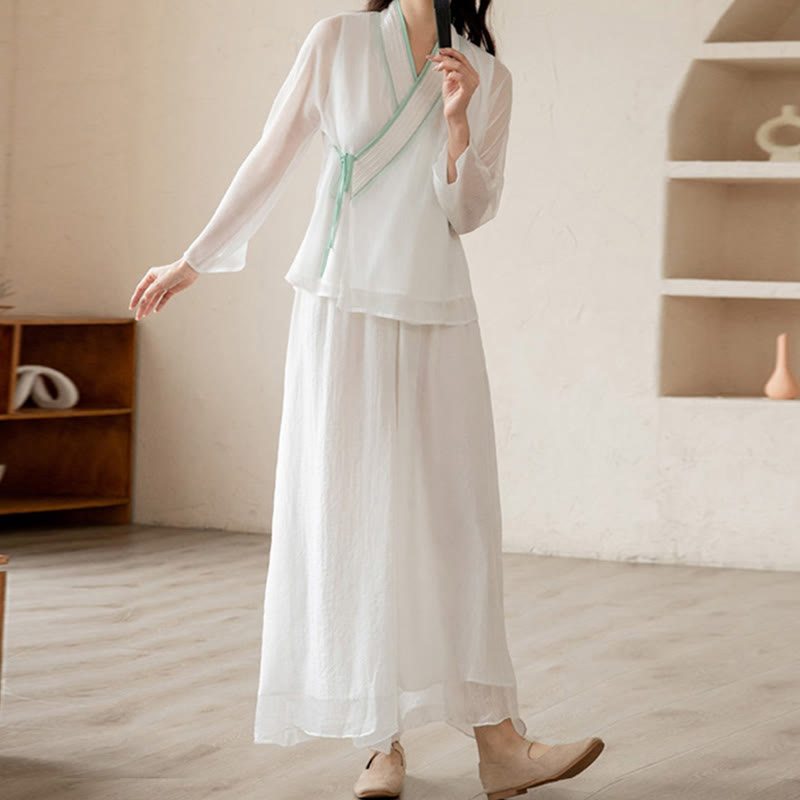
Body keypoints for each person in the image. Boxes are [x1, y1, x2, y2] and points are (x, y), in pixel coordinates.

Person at [128, 1, 605, 798]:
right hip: (340, 301)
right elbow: (271, 156)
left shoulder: (489, 76)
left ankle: (500, 743)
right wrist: (195, 259)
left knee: (455, 520)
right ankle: (379, 744)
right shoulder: (338, 42)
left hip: (436, 308)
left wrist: (457, 120)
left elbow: (468, 213)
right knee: (349, 512)